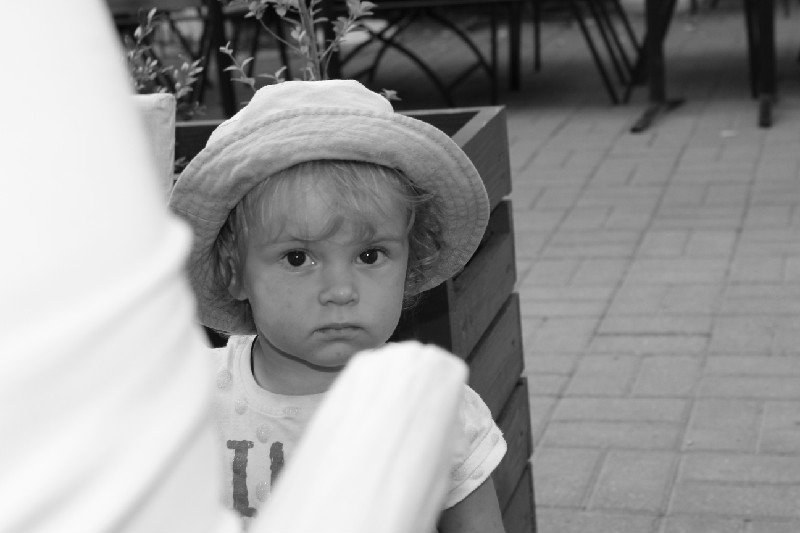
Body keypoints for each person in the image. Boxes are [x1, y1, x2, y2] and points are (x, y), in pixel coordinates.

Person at [169, 79, 508, 532]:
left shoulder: (433, 409)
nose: (341, 290)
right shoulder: (193, 399)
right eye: (297, 258)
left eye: (370, 255)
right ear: (235, 273)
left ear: (410, 261)